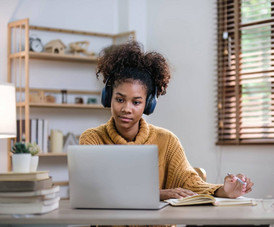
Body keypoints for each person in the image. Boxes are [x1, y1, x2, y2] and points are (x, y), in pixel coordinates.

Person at [79, 41, 254, 200]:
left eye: (136, 102)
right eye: (119, 99)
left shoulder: (167, 141)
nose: (126, 108)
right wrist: (157, 194)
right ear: (108, 97)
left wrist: (224, 191)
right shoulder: (92, 139)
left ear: (149, 104)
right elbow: (93, 191)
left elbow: (190, 183)